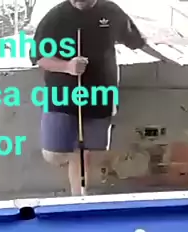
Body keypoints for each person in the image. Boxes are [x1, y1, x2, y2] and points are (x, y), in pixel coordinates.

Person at [31, 0, 168, 195]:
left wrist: (167, 58)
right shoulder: (55, 17)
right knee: (54, 154)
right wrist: (67, 66)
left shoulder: (110, 11)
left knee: (87, 154)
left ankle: (78, 199)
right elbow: (38, 57)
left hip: (101, 95)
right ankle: (75, 174)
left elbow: (137, 41)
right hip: (62, 96)